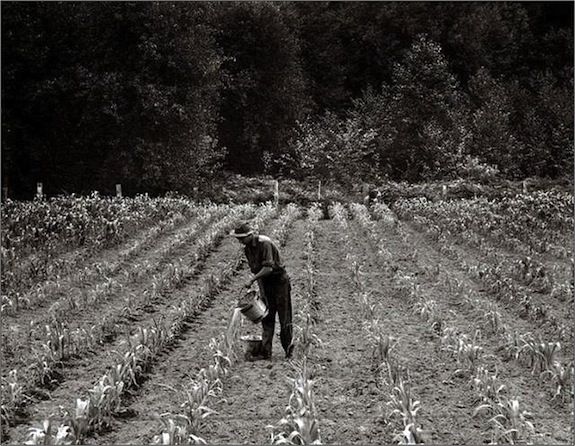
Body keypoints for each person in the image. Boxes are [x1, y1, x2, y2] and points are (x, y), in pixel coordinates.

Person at [230, 222, 294, 361]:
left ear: (250, 235)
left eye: (241, 238)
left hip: (279, 282)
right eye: (238, 239)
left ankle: (289, 351)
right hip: (266, 283)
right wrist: (262, 292)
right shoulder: (247, 249)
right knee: (266, 317)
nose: (240, 241)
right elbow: (257, 270)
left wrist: (252, 280)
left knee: (285, 318)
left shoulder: (264, 244)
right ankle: (266, 352)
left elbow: (268, 268)